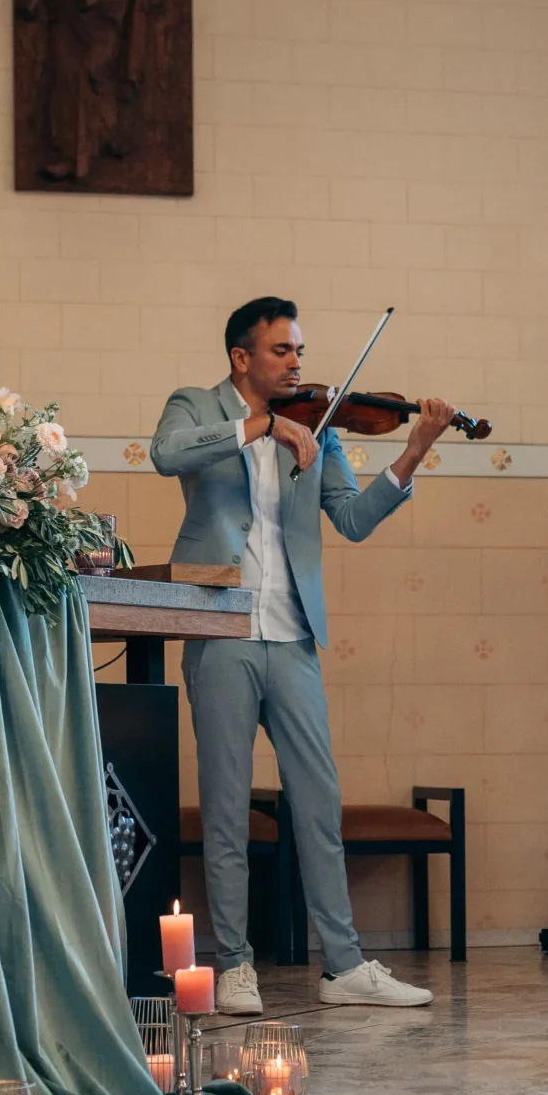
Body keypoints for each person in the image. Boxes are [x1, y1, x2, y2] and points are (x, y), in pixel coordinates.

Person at [151, 297, 452, 1013]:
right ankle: (236, 966)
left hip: (292, 637)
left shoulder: (322, 423)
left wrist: (414, 451)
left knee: (317, 804)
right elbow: (167, 455)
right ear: (242, 357)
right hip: (222, 629)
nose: (296, 363)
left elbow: (351, 519)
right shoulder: (195, 405)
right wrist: (260, 427)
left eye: (299, 353)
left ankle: (344, 967)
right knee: (225, 808)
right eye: (282, 351)